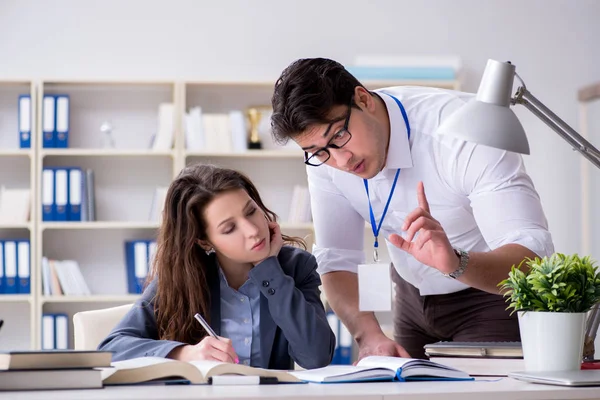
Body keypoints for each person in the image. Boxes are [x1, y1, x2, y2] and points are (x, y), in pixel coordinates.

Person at [270, 58, 554, 360]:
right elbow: (337, 259)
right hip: (409, 296)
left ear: (363, 99)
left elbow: (532, 256)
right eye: (317, 152)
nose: (341, 162)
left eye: (339, 136)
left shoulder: (465, 133)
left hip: (487, 296)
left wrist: (456, 262)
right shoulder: (324, 156)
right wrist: (369, 336)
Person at [98, 163, 335, 370]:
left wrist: (268, 268)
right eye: (229, 228)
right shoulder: (183, 277)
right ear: (204, 241)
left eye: (251, 211)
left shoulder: (296, 267)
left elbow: (316, 357)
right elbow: (112, 348)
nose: (253, 231)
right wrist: (184, 354)